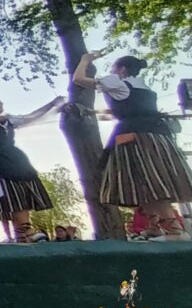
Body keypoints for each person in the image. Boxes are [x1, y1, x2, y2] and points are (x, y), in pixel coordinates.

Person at [74, 53, 192, 242]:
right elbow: (132, 109)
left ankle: (174, 230)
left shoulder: (118, 82)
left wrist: (85, 60)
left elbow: (78, 79)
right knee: (145, 182)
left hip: (136, 139)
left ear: (121, 70)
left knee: (150, 181)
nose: (111, 72)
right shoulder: (143, 86)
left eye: (113, 69)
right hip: (157, 137)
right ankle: (155, 228)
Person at [0, 94, 61, 243]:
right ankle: (27, 231)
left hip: (15, 158)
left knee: (24, 192)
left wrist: (51, 104)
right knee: (13, 195)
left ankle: (23, 234)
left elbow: (31, 117)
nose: (1, 104)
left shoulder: (9, 120)